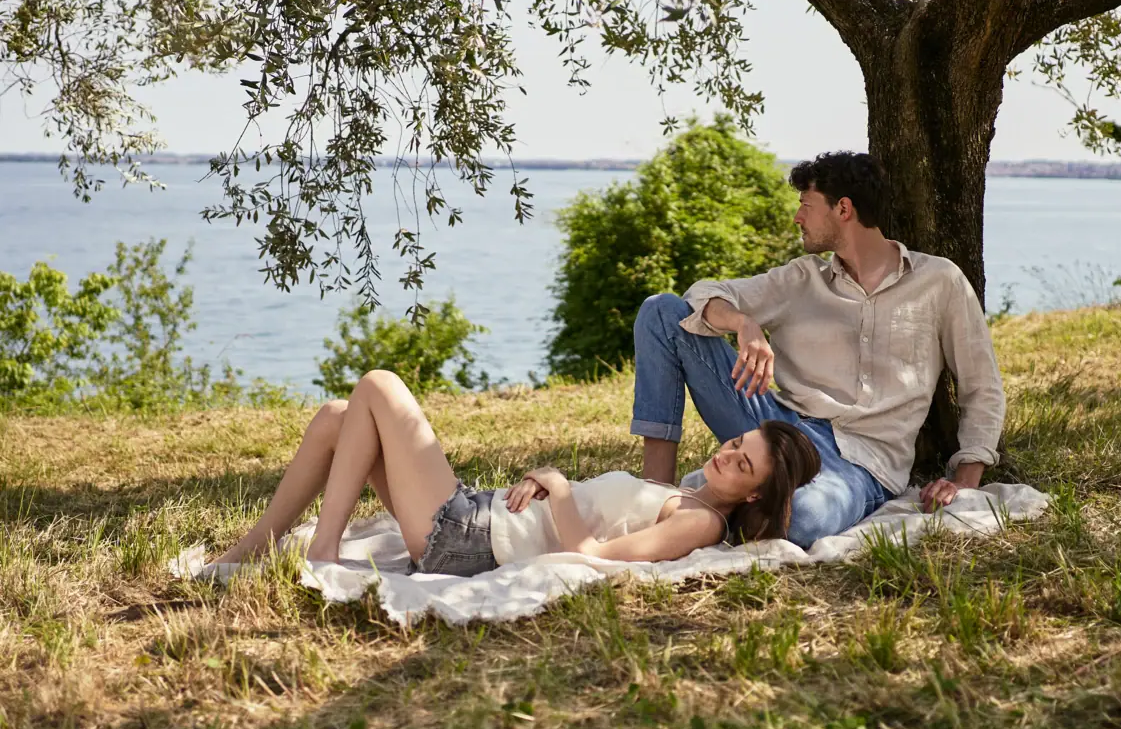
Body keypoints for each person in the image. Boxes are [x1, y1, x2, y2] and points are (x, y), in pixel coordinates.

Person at [632, 151, 1006, 549]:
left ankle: (717, 501)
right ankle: (655, 491)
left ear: (843, 208)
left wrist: (965, 480)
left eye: (805, 206)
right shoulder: (799, 279)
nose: (797, 218)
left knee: (804, 521)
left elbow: (981, 384)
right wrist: (743, 323)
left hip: (863, 462)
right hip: (776, 429)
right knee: (661, 312)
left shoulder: (940, 282)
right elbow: (701, 296)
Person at [211, 369, 821, 574]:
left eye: (742, 464)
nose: (726, 455)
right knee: (338, 416)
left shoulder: (699, 524)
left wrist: (556, 485)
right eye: (735, 442)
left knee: (378, 385)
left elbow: (590, 554)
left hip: (467, 536)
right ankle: (251, 548)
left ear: (757, 491)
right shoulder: (694, 491)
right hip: (474, 517)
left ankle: (322, 551)